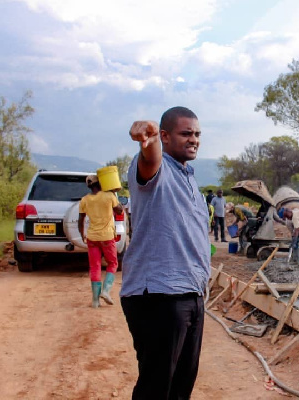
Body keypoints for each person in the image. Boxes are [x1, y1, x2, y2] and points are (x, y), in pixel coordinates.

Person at [121, 107, 210, 399]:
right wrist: (148, 143)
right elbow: (151, 159)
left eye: (196, 134)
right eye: (186, 134)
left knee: (181, 385)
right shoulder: (156, 170)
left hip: (191, 294)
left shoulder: (190, 179)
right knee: (156, 386)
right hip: (160, 295)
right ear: (164, 136)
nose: (193, 139)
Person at [78, 175, 124, 308]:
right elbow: (119, 210)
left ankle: (95, 301)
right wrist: (114, 194)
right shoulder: (109, 196)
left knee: (95, 266)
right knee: (112, 263)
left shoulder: (85, 200)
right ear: (101, 183)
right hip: (107, 237)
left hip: (92, 238)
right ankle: (105, 291)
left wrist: (82, 234)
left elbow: (81, 220)